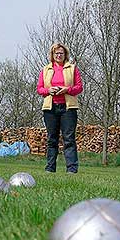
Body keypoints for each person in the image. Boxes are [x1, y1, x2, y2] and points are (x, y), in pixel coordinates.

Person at [37, 42, 83, 173]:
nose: (59, 55)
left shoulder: (72, 68)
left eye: (61, 53)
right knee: (52, 139)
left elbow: (79, 87)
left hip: (68, 108)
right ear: (52, 55)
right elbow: (40, 89)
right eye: (56, 53)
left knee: (69, 139)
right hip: (50, 108)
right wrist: (49, 90)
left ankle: (72, 169)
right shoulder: (45, 70)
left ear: (65, 55)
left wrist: (66, 89)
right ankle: (50, 169)